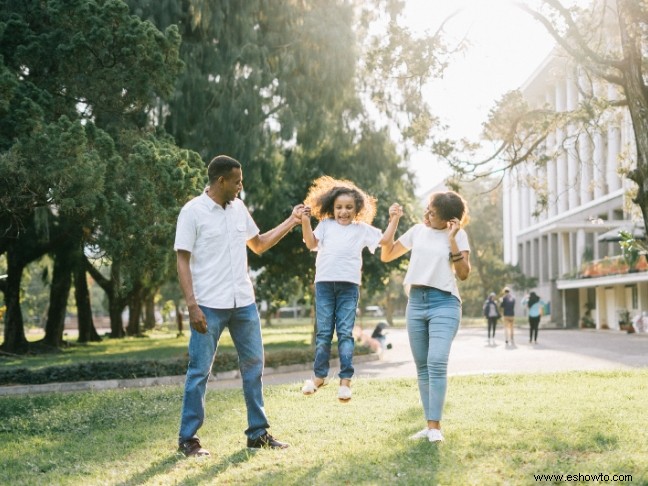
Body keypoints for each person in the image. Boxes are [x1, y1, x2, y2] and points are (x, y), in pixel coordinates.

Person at [174, 155, 304, 457]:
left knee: (254, 367)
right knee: (199, 372)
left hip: (243, 303)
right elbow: (182, 259)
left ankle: (257, 434)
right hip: (208, 305)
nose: (241, 186)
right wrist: (192, 305)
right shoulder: (192, 211)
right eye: (237, 180)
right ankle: (188, 439)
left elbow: (258, 244)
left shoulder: (239, 208)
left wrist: (292, 221)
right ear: (221, 181)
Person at [299, 175, 401, 402]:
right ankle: (318, 377)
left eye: (348, 208)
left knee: (345, 333)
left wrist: (393, 219)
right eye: (339, 207)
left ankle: (345, 382)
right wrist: (305, 221)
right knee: (324, 333)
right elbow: (310, 243)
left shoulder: (361, 229)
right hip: (324, 285)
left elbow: (385, 240)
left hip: (348, 287)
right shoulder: (325, 225)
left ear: (357, 210)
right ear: (331, 208)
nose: (343, 212)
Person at [380, 191, 471, 443]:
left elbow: (463, 273)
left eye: (433, 213)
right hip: (416, 303)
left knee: (437, 361)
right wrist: (394, 221)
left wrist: (452, 239)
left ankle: (435, 428)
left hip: (445, 302)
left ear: (449, 220)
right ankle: (430, 426)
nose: (427, 215)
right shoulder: (418, 231)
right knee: (422, 368)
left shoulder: (459, 235)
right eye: (428, 209)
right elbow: (386, 255)